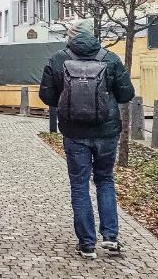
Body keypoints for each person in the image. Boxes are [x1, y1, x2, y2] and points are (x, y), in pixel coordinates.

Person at [39, 19, 135, 260]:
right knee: (105, 180)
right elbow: (126, 94)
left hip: (74, 133)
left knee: (80, 185)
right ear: (93, 35)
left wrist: (68, 101)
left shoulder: (58, 59)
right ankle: (111, 238)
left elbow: (47, 96)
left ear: (71, 36)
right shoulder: (110, 58)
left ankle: (87, 245)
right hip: (106, 132)